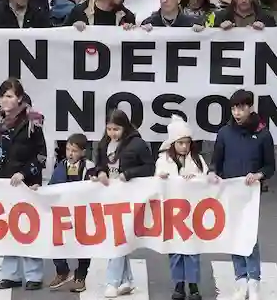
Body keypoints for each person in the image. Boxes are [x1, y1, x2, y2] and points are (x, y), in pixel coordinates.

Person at [0, 79, 46, 291]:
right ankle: (11, 274)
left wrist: (25, 173)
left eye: (9, 96)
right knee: (7, 227)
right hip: (0, 184)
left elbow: (42, 155)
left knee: (28, 227)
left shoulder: (32, 122)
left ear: (19, 98)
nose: (5, 100)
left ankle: (34, 274)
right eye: (2, 96)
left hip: (26, 184)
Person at [211, 89, 272, 300]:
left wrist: (258, 175)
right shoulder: (225, 133)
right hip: (230, 190)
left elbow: (270, 166)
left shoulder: (263, 134)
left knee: (249, 235)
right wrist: (213, 175)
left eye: (241, 108)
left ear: (250, 108)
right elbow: (216, 161)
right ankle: (241, 279)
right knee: (234, 234)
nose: (237, 113)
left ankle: (254, 280)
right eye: (234, 108)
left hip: (250, 193)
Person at [95, 108, 155, 297]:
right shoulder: (104, 143)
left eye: (116, 129)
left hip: (128, 197)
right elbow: (98, 164)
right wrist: (100, 172)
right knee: (117, 236)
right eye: (109, 129)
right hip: (109, 197)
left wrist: (128, 174)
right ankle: (126, 280)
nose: (112, 133)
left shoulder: (137, 144)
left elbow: (149, 167)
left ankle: (112, 281)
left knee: (117, 236)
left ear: (125, 128)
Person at [156, 117, 207, 300]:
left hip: (192, 212)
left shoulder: (197, 160)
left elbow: (205, 179)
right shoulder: (164, 160)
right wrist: (162, 177)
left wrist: (194, 177)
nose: (184, 147)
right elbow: (156, 181)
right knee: (176, 250)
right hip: (172, 212)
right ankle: (179, 284)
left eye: (187, 143)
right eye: (180, 143)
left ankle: (193, 285)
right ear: (173, 143)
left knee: (192, 250)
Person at [47, 132, 94, 293]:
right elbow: (53, 186)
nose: (70, 154)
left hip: (83, 213)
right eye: (68, 149)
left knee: (83, 245)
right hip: (64, 212)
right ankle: (62, 270)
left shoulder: (89, 167)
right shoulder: (61, 166)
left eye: (74, 150)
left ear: (83, 152)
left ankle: (80, 276)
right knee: (57, 240)